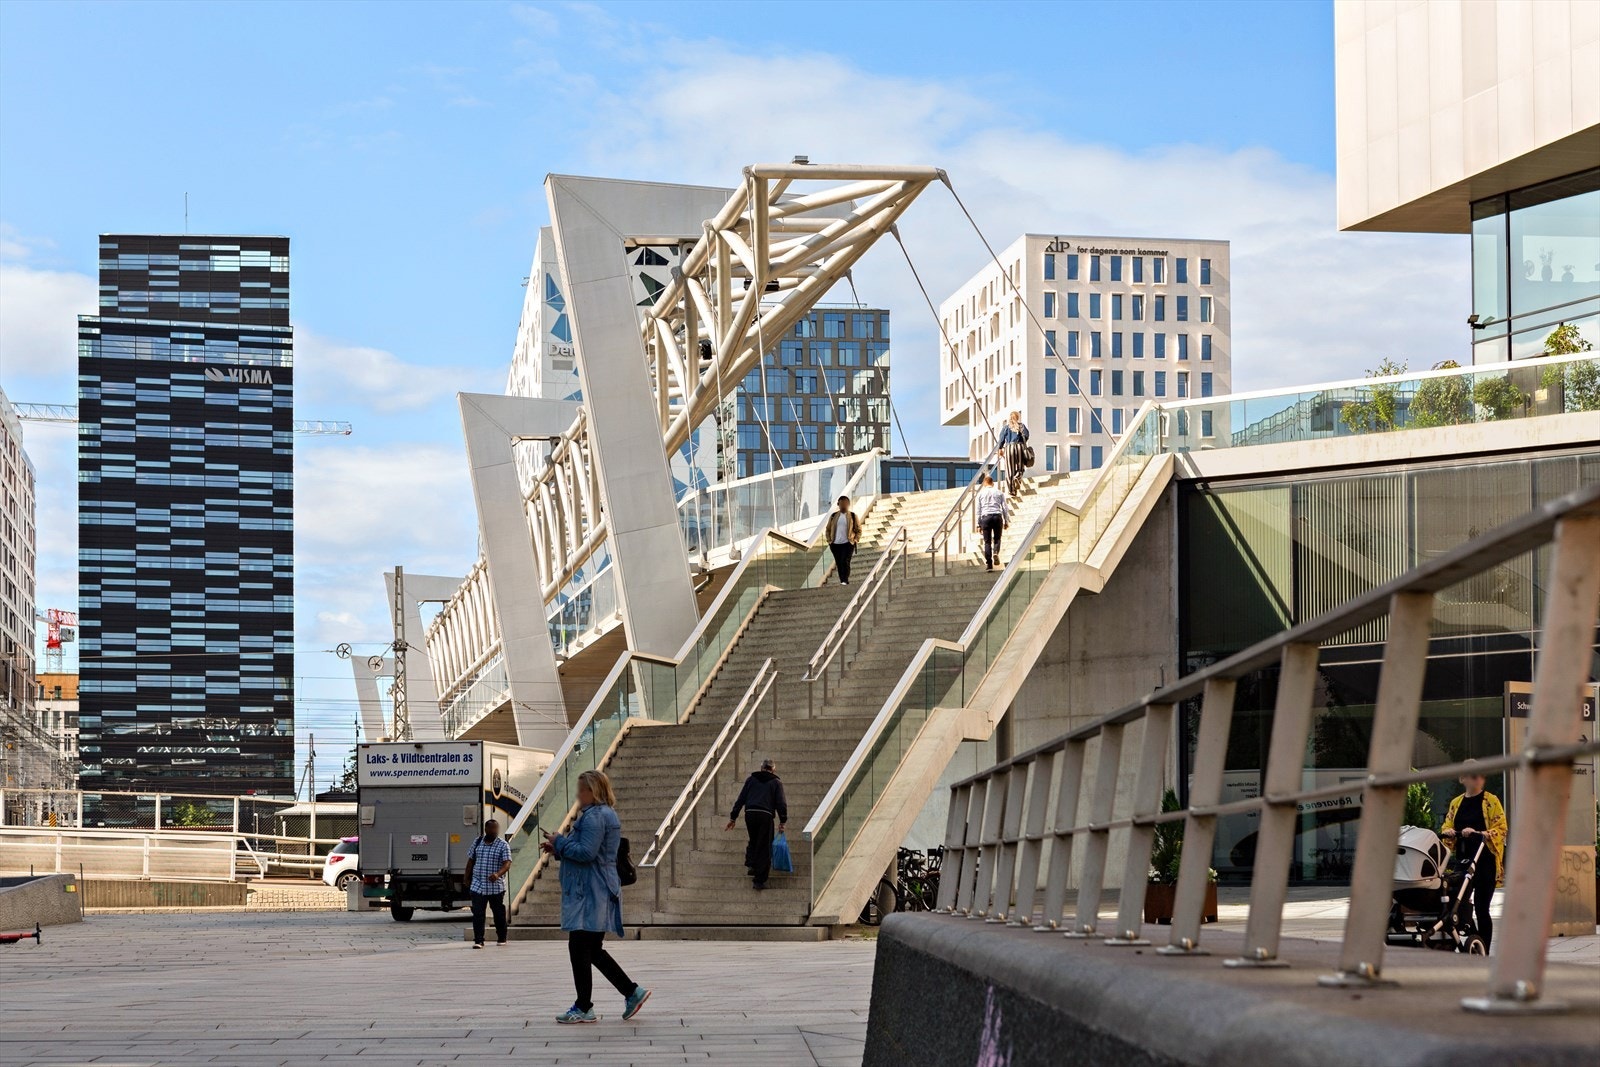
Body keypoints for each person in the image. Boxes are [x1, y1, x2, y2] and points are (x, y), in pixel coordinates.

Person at [541, 770, 650, 1024]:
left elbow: (587, 853)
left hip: (590, 893)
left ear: (593, 791)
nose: (578, 795)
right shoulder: (600, 815)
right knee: (591, 949)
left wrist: (559, 842)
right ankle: (631, 992)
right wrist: (558, 847)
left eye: (581, 790)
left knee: (580, 948)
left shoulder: (595, 817)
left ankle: (584, 1006)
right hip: (595, 890)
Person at [1439, 761, 1507, 952]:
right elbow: (1446, 826)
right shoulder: (1456, 803)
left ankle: (1483, 947)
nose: (1478, 778)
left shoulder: (1490, 801)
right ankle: (1473, 938)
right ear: (1463, 779)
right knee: (1457, 903)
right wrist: (1450, 832)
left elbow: (1501, 829)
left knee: (1482, 908)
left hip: (1484, 861)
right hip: (1463, 861)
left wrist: (1480, 833)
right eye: (1473, 775)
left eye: (1481, 775)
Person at [725, 759, 788, 890]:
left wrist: (733, 817)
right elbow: (781, 803)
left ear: (761, 768)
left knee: (754, 840)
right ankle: (759, 880)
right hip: (765, 815)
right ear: (773, 769)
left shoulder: (751, 780)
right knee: (764, 846)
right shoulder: (776, 782)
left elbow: (741, 799)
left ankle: (752, 863)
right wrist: (783, 820)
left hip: (750, 813)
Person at [464, 818, 512, 948]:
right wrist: (466, 877)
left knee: (498, 914)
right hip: (478, 885)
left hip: (495, 887)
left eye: (496, 828)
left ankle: (502, 937)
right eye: (491, 828)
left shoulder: (503, 845)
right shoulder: (478, 842)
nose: (494, 831)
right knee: (478, 913)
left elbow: (507, 863)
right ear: (486, 829)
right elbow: (471, 860)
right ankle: (478, 940)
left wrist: (498, 874)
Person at [973, 473, 1010, 571]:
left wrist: (978, 524)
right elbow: (1005, 507)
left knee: (987, 541)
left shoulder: (980, 494)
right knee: (997, 539)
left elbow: (978, 510)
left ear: (984, 483)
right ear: (992, 483)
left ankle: (989, 564)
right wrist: (1006, 520)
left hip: (986, 518)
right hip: (997, 516)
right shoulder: (999, 492)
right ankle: (995, 552)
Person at [826, 495, 861, 585]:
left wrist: (856, 540)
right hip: (835, 544)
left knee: (845, 561)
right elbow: (828, 529)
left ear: (848, 504)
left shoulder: (852, 516)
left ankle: (845, 580)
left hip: (848, 543)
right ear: (838, 504)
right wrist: (829, 541)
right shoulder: (833, 516)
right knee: (839, 563)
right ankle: (842, 580)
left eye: (845, 504)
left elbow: (859, 529)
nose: (843, 506)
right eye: (842, 504)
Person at [997, 411, 1030, 496]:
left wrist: (1000, 448)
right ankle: (1017, 477)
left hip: (1009, 448)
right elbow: (1026, 435)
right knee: (1020, 466)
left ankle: (1012, 490)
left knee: (1009, 470)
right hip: (1019, 447)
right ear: (1017, 418)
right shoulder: (1021, 426)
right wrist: (1022, 441)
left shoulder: (1006, 428)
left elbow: (1001, 439)